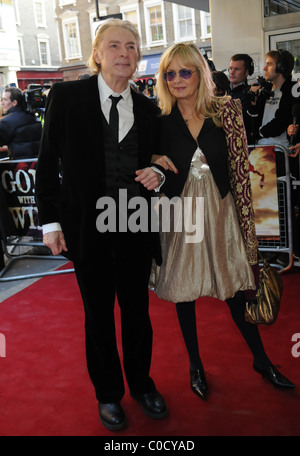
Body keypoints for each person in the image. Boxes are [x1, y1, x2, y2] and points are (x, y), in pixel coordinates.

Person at [35, 18, 167, 431]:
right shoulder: (67, 96)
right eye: (114, 45)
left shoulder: (148, 108)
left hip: (136, 226)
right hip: (86, 229)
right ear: (97, 54)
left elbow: (163, 163)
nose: (124, 53)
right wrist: (50, 222)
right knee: (97, 316)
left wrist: (159, 175)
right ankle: (108, 395)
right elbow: (46, 163)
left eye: (131, 46)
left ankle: (143, 385)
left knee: (136, 312)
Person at [150, 43, 295, 401]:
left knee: (232, 291)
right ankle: (195, 365)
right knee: (184, 293)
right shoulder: (159, 118)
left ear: (200, 73)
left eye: (185, 71)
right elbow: (152, 166)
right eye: (170, 73)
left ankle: (261, 360)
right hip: (180, 214)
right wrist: (154, 162)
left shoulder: (227, 110)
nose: (177, 79)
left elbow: (241, 174)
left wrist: (251, 232)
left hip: (221, 209)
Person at [247, 50, 295, 174]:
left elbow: (280, 122)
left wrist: (259, 132)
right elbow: (254, 121)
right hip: (260, 150)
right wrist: (253, 103)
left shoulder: (291, 91)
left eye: (269, 64)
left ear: (281, 67)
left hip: (279, 151)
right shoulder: (265, 90)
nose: (264, 68)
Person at [0, 87, 42, 159]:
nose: (2, 103)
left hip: (19, 166)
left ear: (14, 103)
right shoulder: (33, 117)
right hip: (37, 163)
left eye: (5, 99)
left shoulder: (7, 122)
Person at [228, 54, 254, 143]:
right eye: (231, 68)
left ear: (246, 72)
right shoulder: (222, 91)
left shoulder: (249, 95)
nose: (232, 72)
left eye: (236, 69)